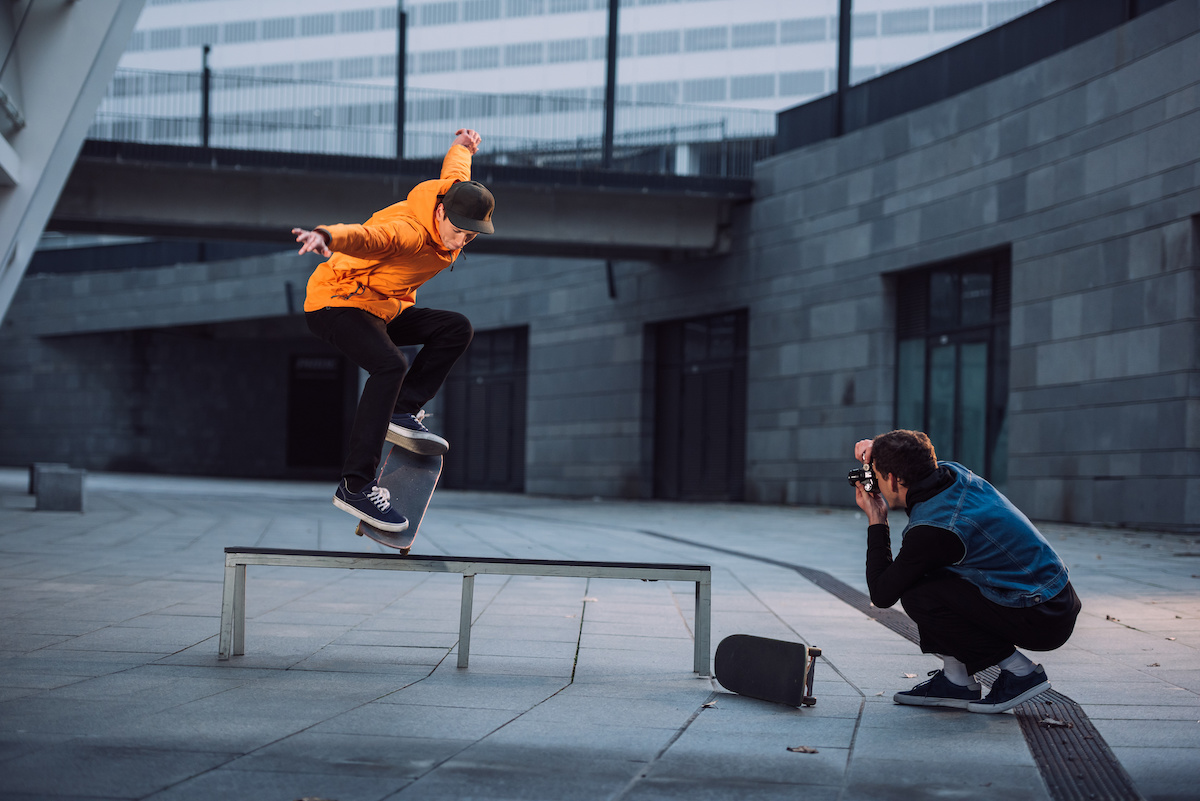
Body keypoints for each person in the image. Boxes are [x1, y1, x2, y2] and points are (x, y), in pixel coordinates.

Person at [292, 128, 494, 533]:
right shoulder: (407, 231)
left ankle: (401, 409)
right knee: (389, 364)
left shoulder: (454, 195)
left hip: (382, 307)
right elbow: (366, 236)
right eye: (458, 231)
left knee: (455, 328)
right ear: (440, 213)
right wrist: (327, 236)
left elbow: (457, 168)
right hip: (337, 302)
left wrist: (464, 146)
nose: (461, 240)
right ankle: (355, 485)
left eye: (470, 235)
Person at [851, 430, 1081, 713]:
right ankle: (955, 681)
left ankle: (1020, 672)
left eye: (876, 473)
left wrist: (877, 519)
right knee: (926, 578)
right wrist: (880, 450)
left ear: (893, 479)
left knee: (918, 594)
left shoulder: (935, 529)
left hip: (1042, 615)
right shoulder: (951, 473)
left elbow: (882, 593)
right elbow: (910, 455)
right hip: (1054, 597)